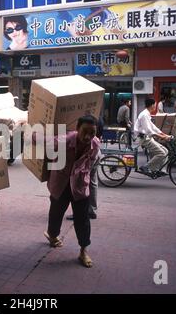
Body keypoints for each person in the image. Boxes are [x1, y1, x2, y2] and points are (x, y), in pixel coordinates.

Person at [41, 115, 100, 268]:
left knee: (83, 220)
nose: (88, 137)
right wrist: (28, 133)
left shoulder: (95, 144)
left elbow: (92, 162)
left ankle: (83, 251)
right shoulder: (64, 140)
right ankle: (52, 236)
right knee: (56, 213)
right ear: (77, 129)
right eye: (84, 132)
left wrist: (84, 176)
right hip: (60, 184)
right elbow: (42, 141)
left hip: (80, 186)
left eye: (92, 133)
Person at [66, 116, 103, 221]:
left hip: (92, 153)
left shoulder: (84, 120)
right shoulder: (96, 119)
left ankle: (83, 210)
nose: (87, 136)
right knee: (92, 181)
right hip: (95, 152)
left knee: (82, 180)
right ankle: (91, 210)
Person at [134, 98, 172, 175]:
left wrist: (164, 134)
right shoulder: (144, 115)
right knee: (161, 153)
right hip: (143, 138)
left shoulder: (147, 114)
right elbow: (149, 131)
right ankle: (146, 167)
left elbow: (154, 127)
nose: (155, 106)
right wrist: (162, 137)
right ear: (152, 105)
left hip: (147, 137)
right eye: (155, 104)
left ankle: (160, 170)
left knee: (166, 151)